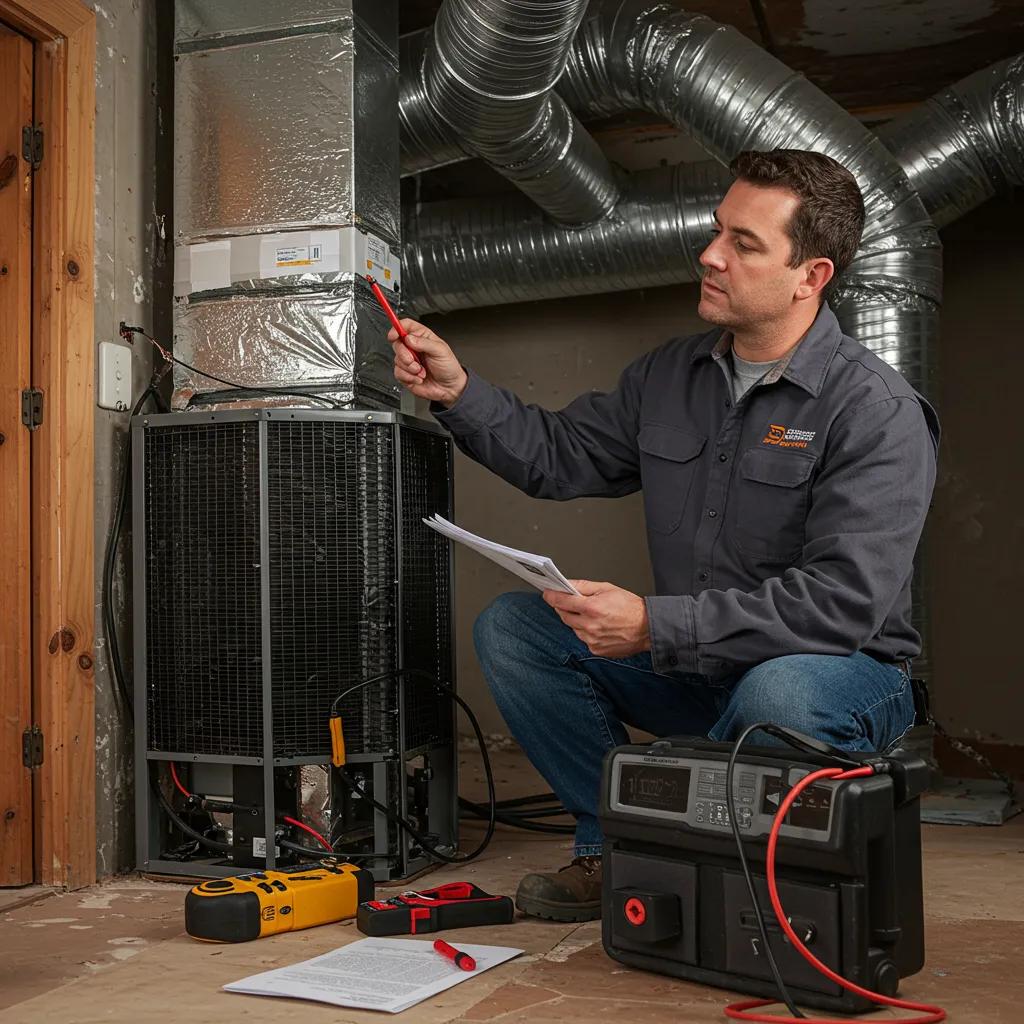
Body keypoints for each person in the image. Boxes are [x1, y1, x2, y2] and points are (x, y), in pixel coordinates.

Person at [388, 148, 939, 923]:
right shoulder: (668, 376)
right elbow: (559, 456)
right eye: (718, 231)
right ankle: (613, 846)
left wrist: (653, 623)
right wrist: (459, 392)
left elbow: (842, 605)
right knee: (517, 629)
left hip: (839, 677)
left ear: (810, 276)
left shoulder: (874, 409)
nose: (710, 254)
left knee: (779, 689)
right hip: (698, 667)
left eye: (744, 245)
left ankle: (713, 857)